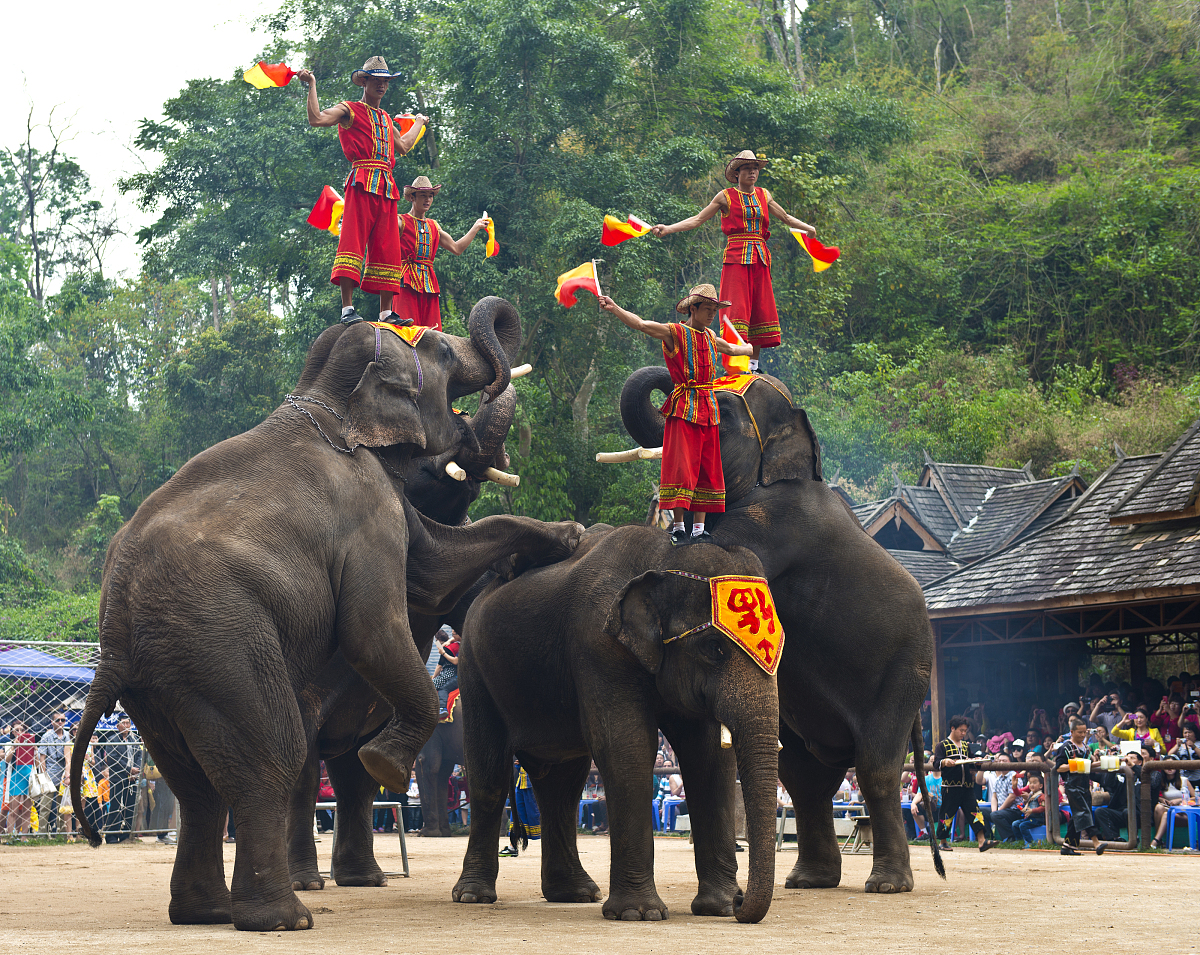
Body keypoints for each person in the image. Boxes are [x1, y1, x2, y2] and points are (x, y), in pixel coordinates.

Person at [598, 285, 752, 545]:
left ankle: (699, 529)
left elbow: (732, 349)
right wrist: (615, 309)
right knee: (682, 466)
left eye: (715, 310)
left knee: (706, 466)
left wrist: (748, 350)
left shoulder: (711, 336)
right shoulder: (675, 332)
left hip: (708, 408)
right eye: (708, 309)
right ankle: (679, 526)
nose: (712, 314)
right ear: (693, 308)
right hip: (684, 407)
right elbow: (642, 325)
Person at [652, 150, 817, 372]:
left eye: (755, 168)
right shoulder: (725, 196)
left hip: (760, 258)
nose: (752, 171)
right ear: (737, 172)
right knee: (737, 309)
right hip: (736, 257)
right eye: (747, 168)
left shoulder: (764, 195)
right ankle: (737, 363)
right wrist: (669, 228)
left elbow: (786, 218)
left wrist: (808, 228)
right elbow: (698, 219)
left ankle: (754, 364)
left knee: (759, 308)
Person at [296, 57, 428, 325]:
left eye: (385, 81)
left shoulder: (384, 118)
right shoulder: (350, 109)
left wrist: (419, 121)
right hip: (362, 180)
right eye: (376, 80)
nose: (381, 85)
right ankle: (347, 309)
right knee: (353, 240)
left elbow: (402, 146)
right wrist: (311, 85)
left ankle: (386, 312)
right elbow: (317, 119)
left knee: (389, 247)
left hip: (386, 187)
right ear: (364, 81)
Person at [395, 177, 488, 330]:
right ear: (412, 197)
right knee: (405, 331)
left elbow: (457, 249)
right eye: (423, 195)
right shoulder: (400, 221)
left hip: (429, 285)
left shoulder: (433, 226)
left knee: (433, 335)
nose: (428, 199)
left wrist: (476, 227)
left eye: (430, 195)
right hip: (406, 282)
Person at [933, 716, 997, 851]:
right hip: (951, 787)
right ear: (953, 728)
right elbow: (936, 763)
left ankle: (982, 841)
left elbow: (971, 763)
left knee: (975, 811)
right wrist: (944, 762)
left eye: (965, 731)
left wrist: (979, 762)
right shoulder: (942, 745)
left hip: (967, 786)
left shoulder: (966, 746)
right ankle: (943, 841)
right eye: (961, 730)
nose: (963, 733)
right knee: (947, 814)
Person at [1054, 716, 1106, 856]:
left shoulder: (1086, 748)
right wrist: (1075, 765)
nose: (1083, 735)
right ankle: (1096, 842)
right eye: (1079, 732)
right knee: (1083, 812)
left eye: (1084, 732)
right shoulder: (1066, 747)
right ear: (1072, 732)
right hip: (1072, 785)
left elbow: (1087, 765)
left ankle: (1067, 846)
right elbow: (1059, 767)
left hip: (1084, 784)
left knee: (1079, 814)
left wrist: (1103, 763)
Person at [103, 714, 142, 843]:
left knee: (130, 807)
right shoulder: (111, 740)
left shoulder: (135, 739)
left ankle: (126, 836)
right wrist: (128, 770)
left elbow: (139, 756)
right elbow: (113, 759)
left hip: (132, 779)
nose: (126, 726)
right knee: (115, 807)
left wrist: (135, 771)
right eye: (123, 723)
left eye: (128, 723)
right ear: (118, 726)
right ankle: (111, 836)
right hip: (117, 778)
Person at [36, 711, 69, 835]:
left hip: (64, 775)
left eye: (63, 720)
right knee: (45, 807)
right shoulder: (47, 736)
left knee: (63, 806)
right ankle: (41, 834)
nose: (60, 722)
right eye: (57, 720)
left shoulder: (68, 736)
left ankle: (61, 833)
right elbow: (42, 758)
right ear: (52, 722)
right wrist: (44, 776)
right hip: (50, 774)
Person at [3, 718, 36, 838]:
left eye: (23, 729)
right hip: (15, 778)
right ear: (12, 732)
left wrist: (35, 750)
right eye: (17, 730)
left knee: (27, 810)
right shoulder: (9, 744)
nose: (20, 732)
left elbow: (37, 763)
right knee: (14, 810)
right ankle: (11, 836)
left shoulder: (31, 743)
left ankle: (24, 837)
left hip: (29, 778)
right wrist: (14, 747)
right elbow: (7, 760)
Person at [985, 754, 1020, 841]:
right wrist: (994, 810)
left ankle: (1010, 838)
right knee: (980, 811)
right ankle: (988, 837)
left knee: (996, 815)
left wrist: (998, 811)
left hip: (1014, 810)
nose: (1001, 763)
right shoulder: (998, 778)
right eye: (999, 761)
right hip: (1001, 810)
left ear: (1010, 763)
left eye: (1004, 761)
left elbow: (1012, 797)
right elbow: (994, 797)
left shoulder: (1014, 776)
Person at [1011, 773, 1047, 844]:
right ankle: (1019, 841)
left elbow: (1044, 807)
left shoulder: (1041, 796)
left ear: (1041, 786)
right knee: (1015, 824)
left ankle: (1031, 842)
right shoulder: (1031, 795)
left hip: (1037, 819)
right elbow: (1019, 793)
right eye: (1030, 783)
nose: (1032, 785)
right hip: (1029, 818)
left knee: (1022, 826)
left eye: (1034, 783)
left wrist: (1032, 811)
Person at [432, 630, 460, 709]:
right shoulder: (456, 644)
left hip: (449, 673)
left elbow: (439, 666)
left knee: (431, 686)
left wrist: (433, 678)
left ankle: (440, 708)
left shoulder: (445, 649)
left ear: (439, 641)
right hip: (456, 672)